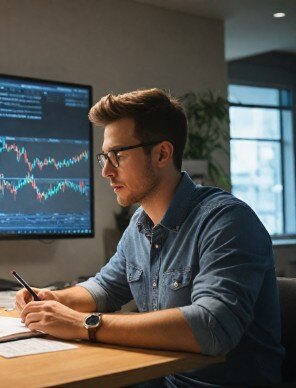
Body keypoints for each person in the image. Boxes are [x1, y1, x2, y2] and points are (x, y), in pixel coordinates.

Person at [16, 89, 284, 386]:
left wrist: (84, 324)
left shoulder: (227, 221)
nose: (106, 171)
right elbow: (105, 287)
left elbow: (212, 327)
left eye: (117, 156)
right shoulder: (140, 224)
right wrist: (53, 299)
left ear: (161, 154)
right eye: (104, 157)